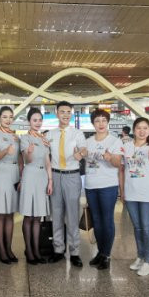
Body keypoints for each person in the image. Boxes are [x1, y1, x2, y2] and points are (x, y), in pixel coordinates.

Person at [46, 101, 87, 267]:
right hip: (55, 176)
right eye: (62, 111)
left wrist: (80, 154)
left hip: (72, 176)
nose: (65, 114)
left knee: (72, 215)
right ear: (56, 113)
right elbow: (44, 154)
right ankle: (58, 249)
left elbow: (84, 149)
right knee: (56, 214)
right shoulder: (49, 134)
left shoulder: (77, 133)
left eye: (68, 112)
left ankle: (74, 251)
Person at [120, 117, 149, 276]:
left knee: (147, 227)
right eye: (139, 128)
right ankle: (140, 256)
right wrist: (122, 191)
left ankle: (148, 261)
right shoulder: (126, 147)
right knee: (137, 228)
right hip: (131, 193)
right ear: (134, 130)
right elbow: (121, 170)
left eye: (145, 128)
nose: (142, 131)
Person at [84, 109, 122, 271]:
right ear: (93, 123)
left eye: (104, 120)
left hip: (108, 185)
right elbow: (81, 156)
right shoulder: (87, 141)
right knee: (97, 220)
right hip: (91, 185)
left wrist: (110, 158)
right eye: (97, 121)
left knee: (107, 220)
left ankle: (106, 255)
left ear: (108, 122)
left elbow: (118, 163)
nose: (101, 124)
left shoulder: (115, 141)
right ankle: (100, 252)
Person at [0, 105, 22, 263]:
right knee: (1, 214)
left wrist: (21, 176)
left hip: (14, 173)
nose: (8, 120)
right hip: (1, 172)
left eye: (10, 117)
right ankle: (1, 249)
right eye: (4, 117)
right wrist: (6, 150)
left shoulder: (16, 136)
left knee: (10, 213)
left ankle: (9, 248)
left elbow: (20, 157)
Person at [19, 108, 53, 264]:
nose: (38, 123)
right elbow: (27, 160)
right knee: (29, 215)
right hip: (30, 175)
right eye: (34, 120)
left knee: (38, 216)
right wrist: (29, 152)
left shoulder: (44, 139)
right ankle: (29, 250)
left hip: (42, 177)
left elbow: (47, 162)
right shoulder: (25, 138)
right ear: (29, 121)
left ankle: (37, 250)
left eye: (40, 120)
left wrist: (50, 180)